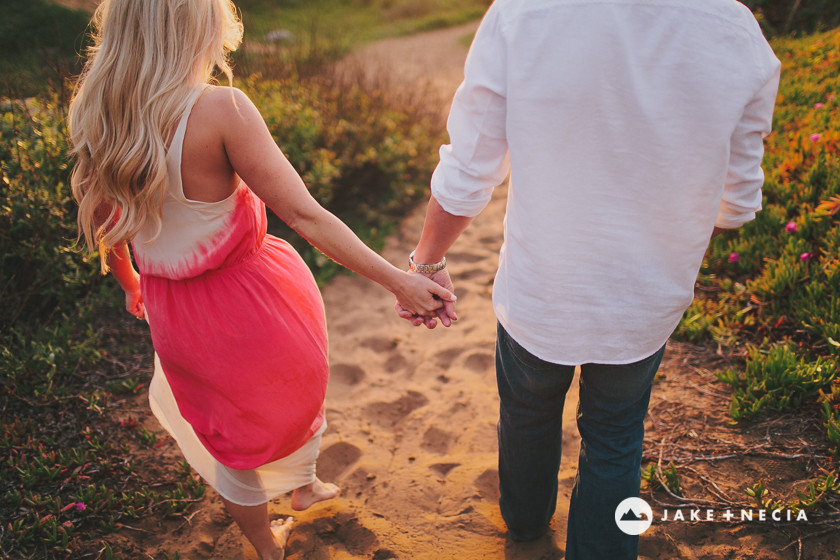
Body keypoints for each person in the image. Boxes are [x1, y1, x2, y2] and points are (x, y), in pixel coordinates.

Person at [68, 1, 455, 559]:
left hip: (176, 314)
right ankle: (300, 489)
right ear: (197, 27)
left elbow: (108, 221)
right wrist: (399, 280)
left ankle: (277, 528)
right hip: (254, 301)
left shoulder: (97, 112)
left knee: (231, 435)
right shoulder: (221, 109)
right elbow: (306, 216)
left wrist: (131, 283)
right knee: (296, 393)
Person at [396, 0, 780, 557]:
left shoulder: (523, 12)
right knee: (616, 439)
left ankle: (526, 530)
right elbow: (737, 203)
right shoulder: (739, 33)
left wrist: (427, 262)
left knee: (527, 413)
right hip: (647, 303)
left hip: (542, 288)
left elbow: (471, 167)